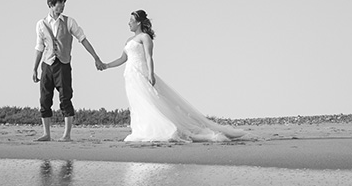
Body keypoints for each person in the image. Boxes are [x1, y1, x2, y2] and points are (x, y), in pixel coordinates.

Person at [98, 9, 245, 143]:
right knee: (137, 104)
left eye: (131, 21)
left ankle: (160, 129)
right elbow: (122, 59)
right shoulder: (128, 41)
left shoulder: (145, 37)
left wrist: (150, 74)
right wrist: (106, 65)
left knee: (150, 101)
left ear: (138, 23)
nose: (128, 23)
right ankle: (141, 129)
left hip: (141, 73)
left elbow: (149, 57)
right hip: (130, 75)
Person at [32, 0, 104, 141]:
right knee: (45, 99)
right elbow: (39, 47)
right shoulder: (41, 24)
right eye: (60, 4)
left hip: (63, 64)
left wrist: (96, 58)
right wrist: (34, 68)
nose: (63, 6)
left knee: (65, 98)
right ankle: (46, 133)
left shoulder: (69, 21)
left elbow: (83, 39)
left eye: (64, 3)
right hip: (47, 65)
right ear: (51, 5)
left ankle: (67, 134)